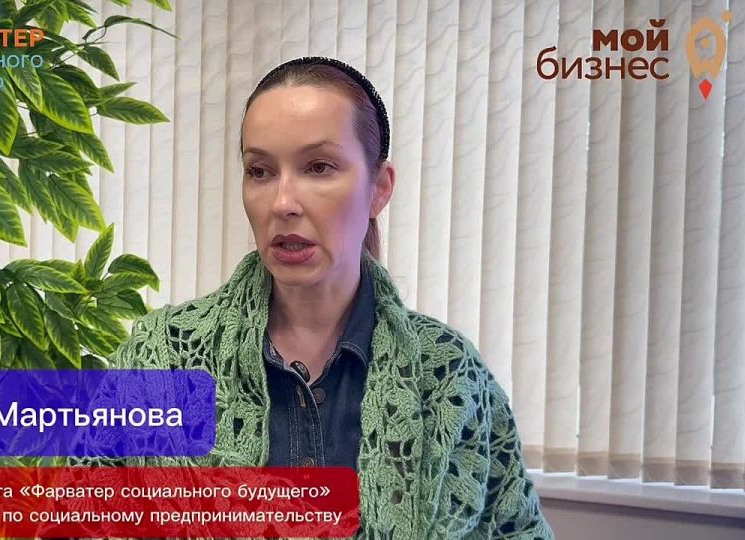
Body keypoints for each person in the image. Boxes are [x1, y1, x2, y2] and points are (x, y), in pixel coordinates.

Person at [76, 56, 553, 539]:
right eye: (260, 171)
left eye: (318, 167)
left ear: (379, 188)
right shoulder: (160, 360)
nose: (283, 202)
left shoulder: (449, 377)